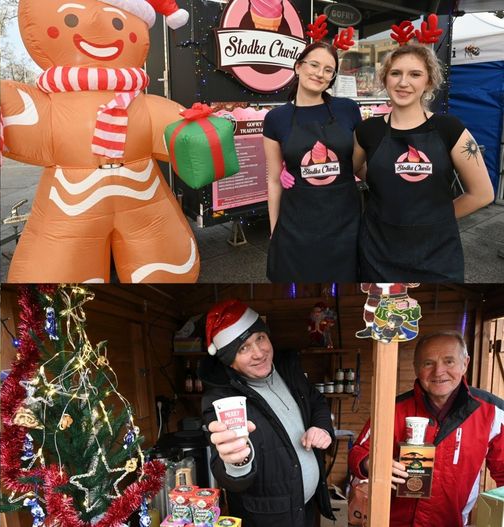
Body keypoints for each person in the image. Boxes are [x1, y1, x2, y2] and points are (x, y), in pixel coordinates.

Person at [352, 43, 494, 281]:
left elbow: (482, 194)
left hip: (436, 255)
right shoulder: (367, 131)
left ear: (428, 82)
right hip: (378, 251)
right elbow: (354, 167)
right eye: (395, 73)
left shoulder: (450, 129)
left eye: (415, 74)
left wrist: (435, 218)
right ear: (385, 78)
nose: (403, 82)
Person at [199, 299, 334, 527]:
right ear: (230, 361)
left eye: (260, 338)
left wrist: (321, 427)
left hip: (308, 508)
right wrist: (237, 462)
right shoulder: (221, 400)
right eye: (243, 348)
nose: (259, 353)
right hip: (268, 519)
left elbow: (316, 400)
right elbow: (228, 475)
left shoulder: (287, 367)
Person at [348, 331, 504, 527]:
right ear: (416, 368)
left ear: (465, 363)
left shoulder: (492, 412)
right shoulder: (391, 409)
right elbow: (357, 453)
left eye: (449, 361)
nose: (438, 372)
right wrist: (371, 463)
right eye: (428, 363)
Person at [263, 41, 363, 282]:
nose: (320, 74)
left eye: (328, 70)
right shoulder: (276, 119)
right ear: (298, 67)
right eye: (314, 65)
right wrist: (274, 230)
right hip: (297, 223)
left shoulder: (348, 109)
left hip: (345, 222)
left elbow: (360, 163)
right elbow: (274, 180)